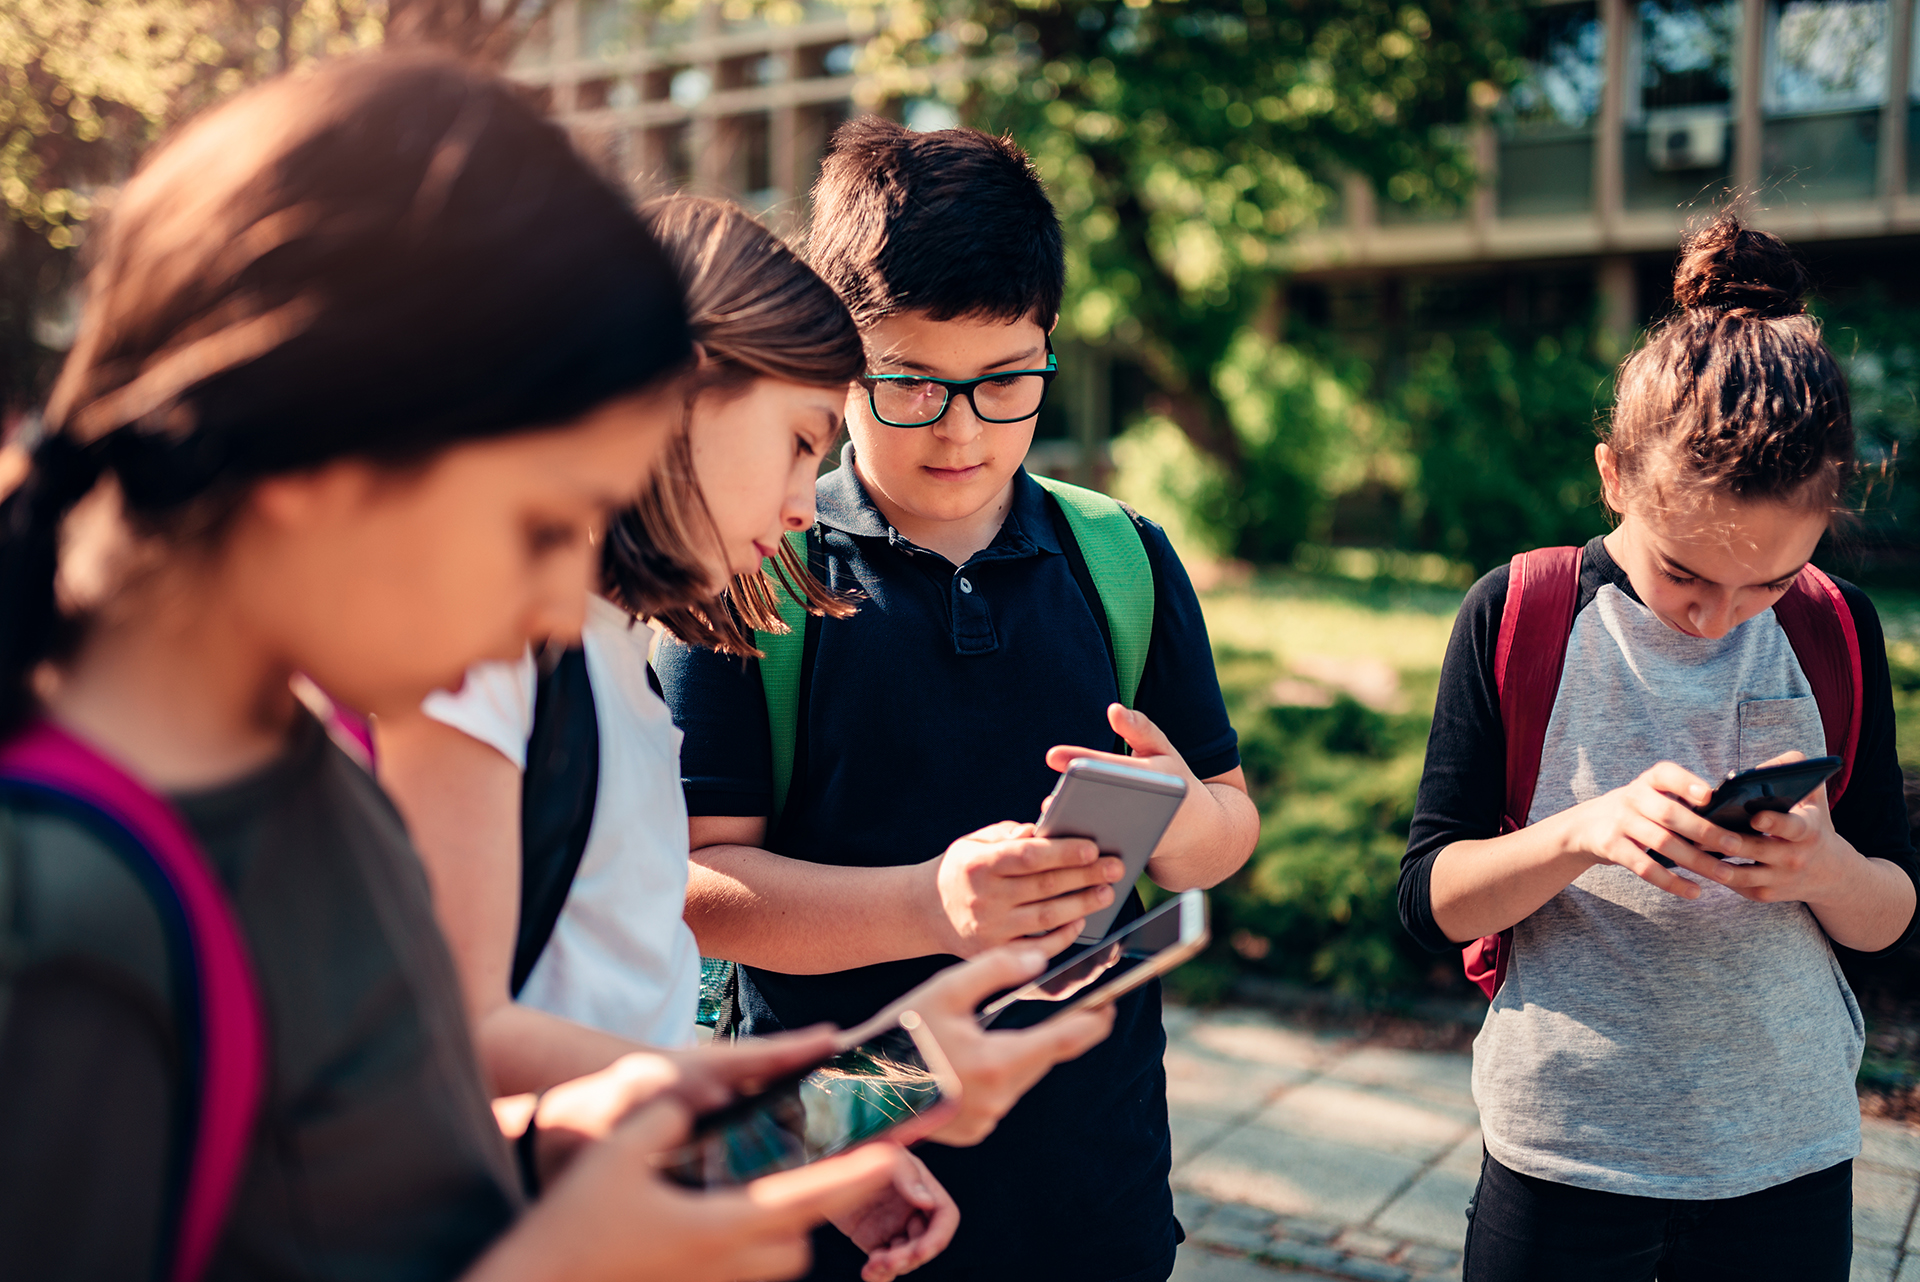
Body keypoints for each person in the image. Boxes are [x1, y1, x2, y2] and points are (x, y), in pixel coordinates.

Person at [0, 53, 952, 1281]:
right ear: (327, 456)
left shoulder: (313, 791)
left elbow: (364, 1169)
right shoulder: (59, 915)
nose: (562, 602)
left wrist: (577, 1140)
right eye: (542, 526)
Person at [374, 195, 1120, 1280]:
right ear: (672, 394)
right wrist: (851, 1100)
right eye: (799, 441)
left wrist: (812, 1140)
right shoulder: (487, 658)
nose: (807, 503)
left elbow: (623, 1054)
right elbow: (461, 1044)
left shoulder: (613, 665)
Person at [657, 117, 1261, 1282]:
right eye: (912, 384)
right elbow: (692, 887)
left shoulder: (1120, 555)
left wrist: (1185, 816)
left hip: (1096, 1184)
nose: (960, 430)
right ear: (838, 366)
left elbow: (1226, 831)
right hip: (836, 1171)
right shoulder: (757, 559)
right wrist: (932, 906)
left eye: (1005, 383)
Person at [1397, 214, 1920, 1282]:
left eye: (1767, 581)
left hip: (1788, 1162)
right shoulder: (1521, 613)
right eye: (1684, 573)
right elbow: (1428, 901)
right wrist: (1582, 832)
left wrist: (1824, 870)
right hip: (1561, 1159)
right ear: (1613, 477)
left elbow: (1894, 918)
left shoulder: (1835, 627)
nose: (1717, 618)